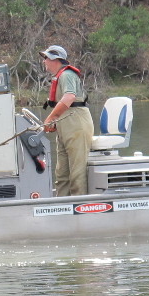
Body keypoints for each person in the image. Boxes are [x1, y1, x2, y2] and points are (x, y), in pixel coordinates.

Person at [39, 45, 94, 197]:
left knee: (77, 172)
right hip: (66, 126)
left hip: (77, 124)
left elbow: (69, 97)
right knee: (61, 173)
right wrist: (56, 121)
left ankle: (79, 207)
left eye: (46, 58)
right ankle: (61, 205)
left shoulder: (67, 75)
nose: (44, 62)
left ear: (55, 59)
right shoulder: (60, 76)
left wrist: (51, 117)